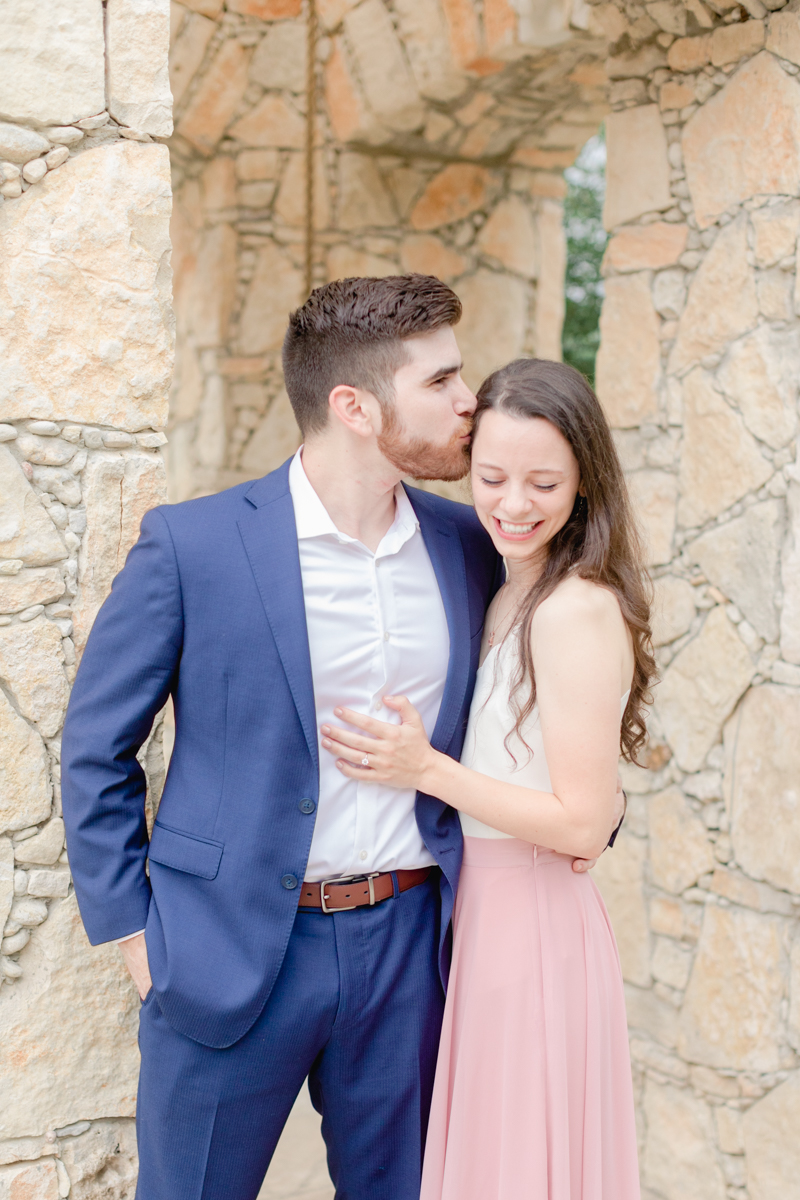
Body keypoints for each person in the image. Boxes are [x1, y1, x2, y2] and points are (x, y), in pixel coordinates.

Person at [61, 276, 610, 1200]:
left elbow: (550, 698)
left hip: (411, 947)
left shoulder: (469, 544)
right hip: (227, 948)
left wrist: (587, 820)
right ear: (355, 406)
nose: (468, 400)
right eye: (441, 381)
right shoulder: (192, 547)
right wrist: (132, 933)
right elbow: (95, 745)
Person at [320, 357, 653, 1199]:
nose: (512, 504)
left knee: (519, 1167)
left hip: (534, 927)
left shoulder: (576, 608)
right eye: (494, 476)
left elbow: (583, 822)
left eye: (544, 483)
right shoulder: (511, 589)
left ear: (585, 485)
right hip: (484, 919)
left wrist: (426, 768)